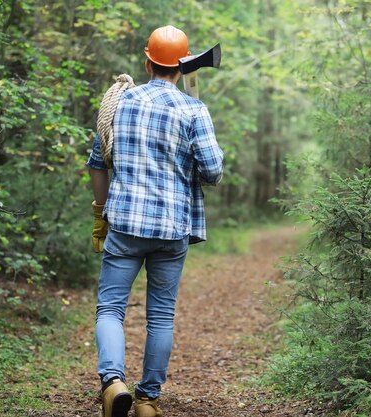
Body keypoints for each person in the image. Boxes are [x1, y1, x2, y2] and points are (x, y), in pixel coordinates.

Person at [86, 25, 224, 417]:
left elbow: (99, 162)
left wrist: (100, 216)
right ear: (181, 67)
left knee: (111, 309)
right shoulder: (193, 109)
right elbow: (213, 173)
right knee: (160, 314)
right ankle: (148, 399)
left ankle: (113, 384)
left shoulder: (120, 103)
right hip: (172, 227)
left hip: (125, 224)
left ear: (147, 62)